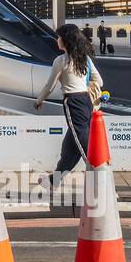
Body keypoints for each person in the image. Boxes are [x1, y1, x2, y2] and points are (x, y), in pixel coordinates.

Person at [33, 24, 101, 194]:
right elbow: (99, 81)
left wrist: (39, 100)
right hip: (86, 101)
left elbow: (50, 85)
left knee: (82, 143)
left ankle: (100, 177)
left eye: (59, 37)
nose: (57, 40)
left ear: (66, 40)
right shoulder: (85, 59)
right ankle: (52, 181)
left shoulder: (60, 61)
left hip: (73, 102)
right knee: (69, 148)